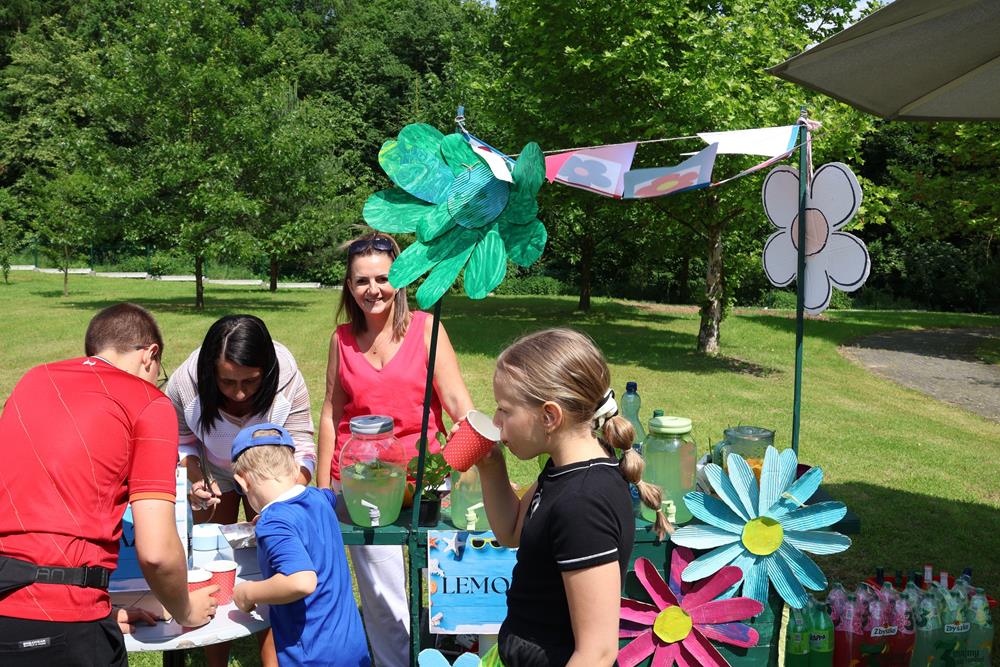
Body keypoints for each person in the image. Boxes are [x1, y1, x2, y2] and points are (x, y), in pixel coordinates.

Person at [0, 303, 218, 666]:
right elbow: (157, 552)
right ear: (150, 355)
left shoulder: (33, 380)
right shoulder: (148, 402)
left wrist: (101, 601)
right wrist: (186, 610)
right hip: (66, 623)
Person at [317, 232, 475, 667]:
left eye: (382, 278)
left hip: (428, 477)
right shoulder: (341, 339)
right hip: (361, 482)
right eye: (361, 281)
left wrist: (470, 468)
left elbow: (459, 407)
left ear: (400, 279)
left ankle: (448, 653)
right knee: (383, 593)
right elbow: (331, 412)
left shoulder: (427, 329)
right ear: (349, 286)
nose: (373, 290)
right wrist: (324, 488)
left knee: (448, 581)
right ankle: (396, 662)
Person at [476, 328, 670, 667]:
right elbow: (513, 531)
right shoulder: (562, 469)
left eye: (505, 410)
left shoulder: (582, 503)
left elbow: (597, 652)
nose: (496, 420)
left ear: (549, 417)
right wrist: (491, 465)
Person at [166, 313, 316, 667]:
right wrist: (195, 476)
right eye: (227, 381)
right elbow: (180, 438)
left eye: (250, 381)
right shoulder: (186, 383)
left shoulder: (287, 377)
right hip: (213, 471)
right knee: (210, 564)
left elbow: (303, 446)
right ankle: (215, 658)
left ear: (268, 370)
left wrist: (282, 500)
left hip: (270, 473)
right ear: (209, 372)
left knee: (273, 566)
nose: (239, 393)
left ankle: (273, 659)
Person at [231, 423, 370, 667]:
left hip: (313, 655)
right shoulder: (318, 498)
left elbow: (300, 581)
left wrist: (248, 592)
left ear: (242, 482)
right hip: (351, 645)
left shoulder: (274, 524)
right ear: (296, 469)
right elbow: (335, 503)